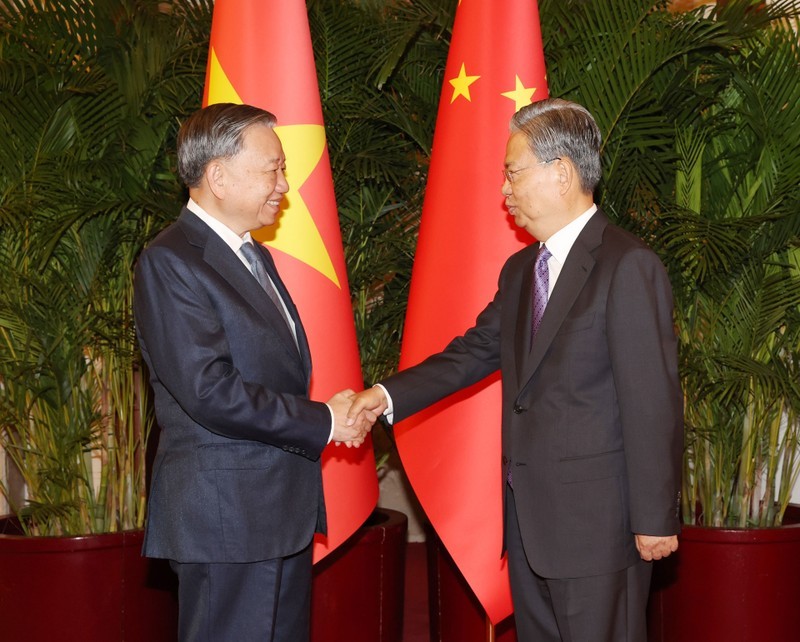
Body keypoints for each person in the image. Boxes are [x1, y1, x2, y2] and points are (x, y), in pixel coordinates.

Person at [348, 98, 683, 641]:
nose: (504, 191)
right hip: (529, 525)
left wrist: (653, 517)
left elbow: (651, 401)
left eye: (512, 173)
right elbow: (473, 350)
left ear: (561, 174)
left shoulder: (626, 265)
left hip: (601, 527)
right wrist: (385, 395)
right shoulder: (523, 268)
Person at [133, 103, 375, 642]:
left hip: (276, 513)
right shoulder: (171, 261)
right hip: (227, 521)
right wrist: (324, 421)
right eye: (273, 168)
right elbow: (209, 391)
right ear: (217, 175)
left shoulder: (251, 255)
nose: (285, 185)